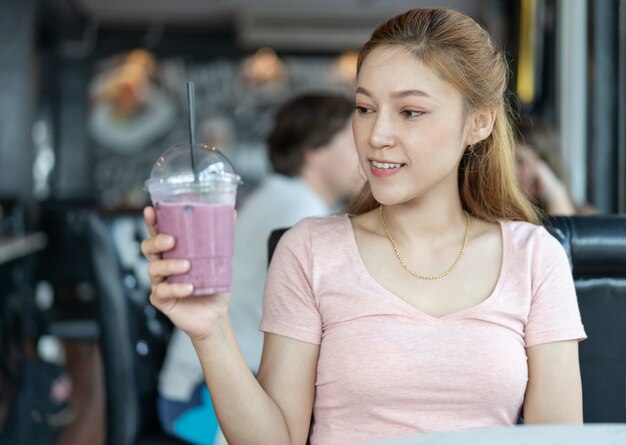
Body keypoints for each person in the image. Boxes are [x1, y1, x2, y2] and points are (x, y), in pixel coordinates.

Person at [142, 8, 587, 445]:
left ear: (479, 122)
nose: (376, 135)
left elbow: (559, 440)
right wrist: (210, 329)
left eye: (410, 111)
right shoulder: (310, 249)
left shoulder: (534, 257)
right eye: (365, 108)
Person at [155, 93, 363, 444]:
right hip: (203, 404)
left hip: (203, 389)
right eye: (352, 139)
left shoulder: (280, 199)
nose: (366, 151)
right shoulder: (297, 213)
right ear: (314, 150)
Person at [514, 117, 594, 216]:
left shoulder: (589, 219)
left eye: (519, 161)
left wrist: (555, 192)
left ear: (545, 168)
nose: (511, 170)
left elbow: (563, 230)